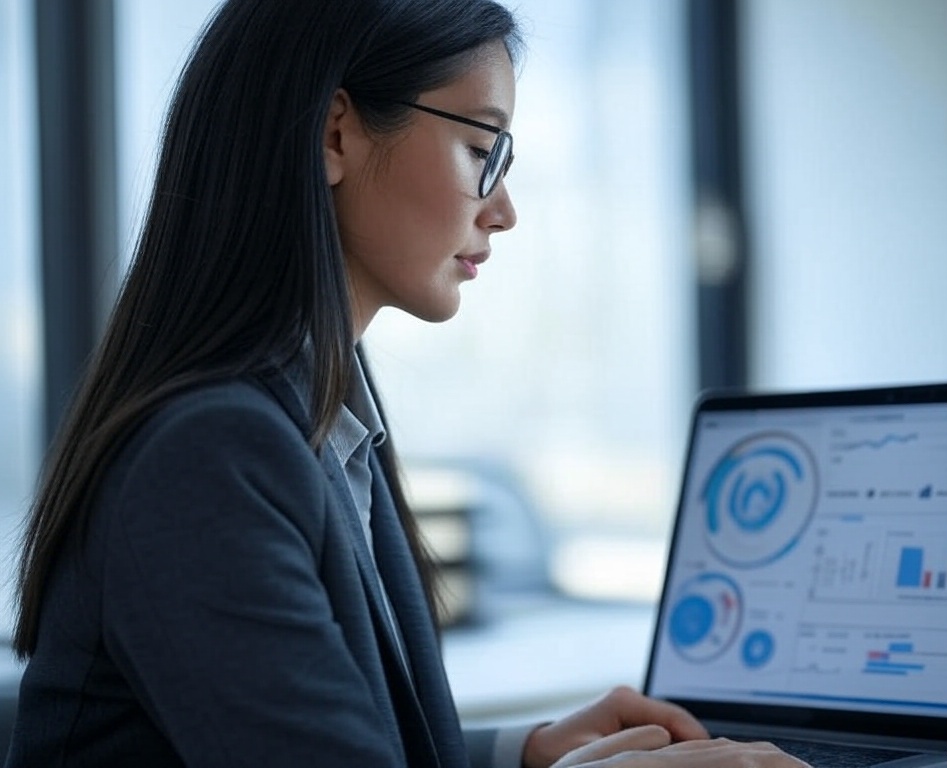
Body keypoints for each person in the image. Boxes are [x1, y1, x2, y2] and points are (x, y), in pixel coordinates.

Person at [5, 1, 809, 766]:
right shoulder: (212, 456)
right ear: (334, 134)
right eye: (480, 148)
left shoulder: (322, 416)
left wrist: (523, 753)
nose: (504, 210)